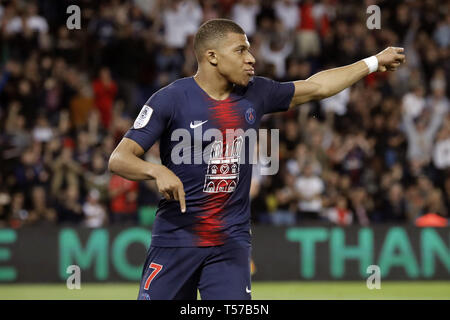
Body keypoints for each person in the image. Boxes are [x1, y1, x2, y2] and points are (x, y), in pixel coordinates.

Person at [108, 18, 405, 300]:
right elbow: (120, 158)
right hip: (176, 239)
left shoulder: (256, 93)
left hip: (230, 243)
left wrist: (374, 62)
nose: (251, 58)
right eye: (240, 50)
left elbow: (318, 87)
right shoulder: (170, 99)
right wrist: (156, 171)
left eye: (249, 49)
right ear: (212, 56)